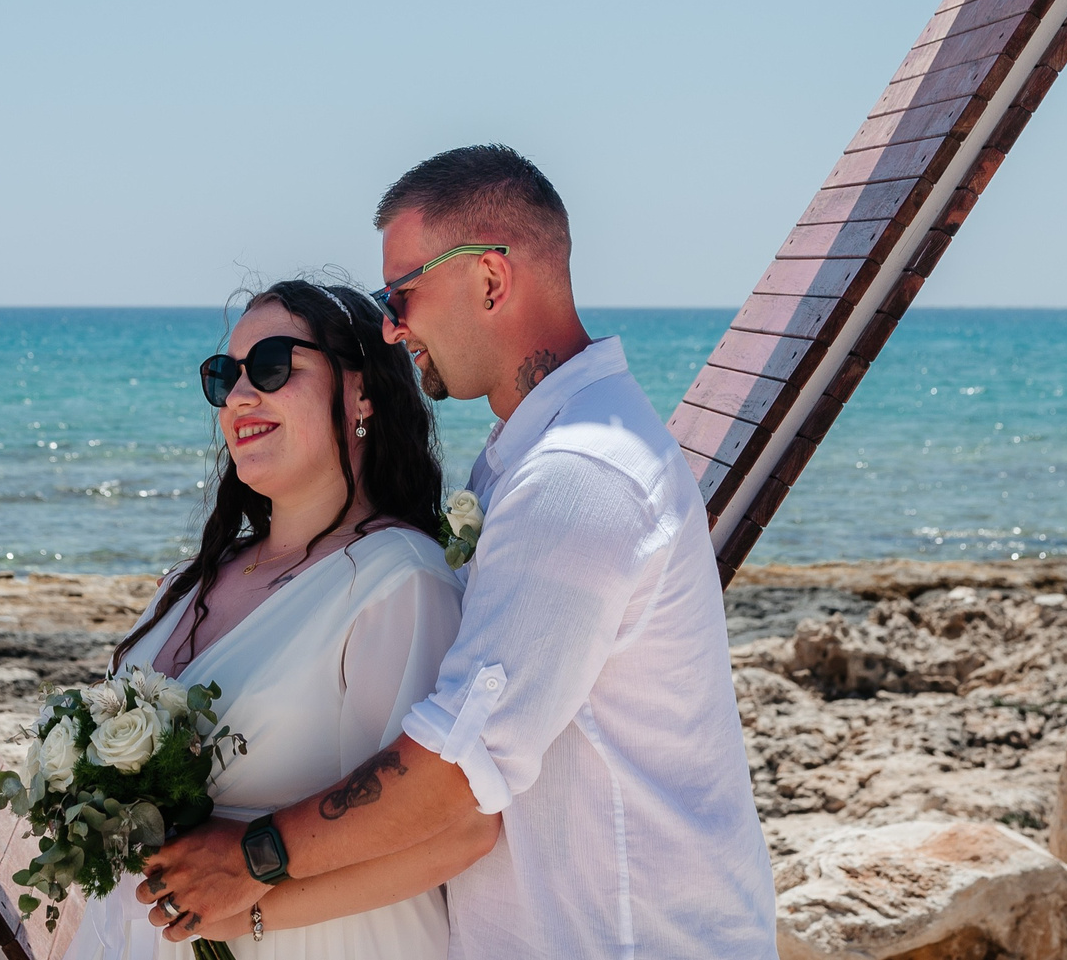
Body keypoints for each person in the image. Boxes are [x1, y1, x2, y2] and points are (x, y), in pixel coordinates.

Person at [142, 148, 777, 957]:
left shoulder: (575, 476)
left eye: (401, 292)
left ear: (489, 279)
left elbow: (456, 773)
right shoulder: (531, 460)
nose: (391, 326)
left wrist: (252, 859)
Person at [66, 278, 497, 958]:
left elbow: (459, 828)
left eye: (272, 365)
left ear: (362, 393)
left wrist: (254, 910)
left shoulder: (397, 582)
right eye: (223, 376)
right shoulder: (190, 583)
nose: (239, 395)